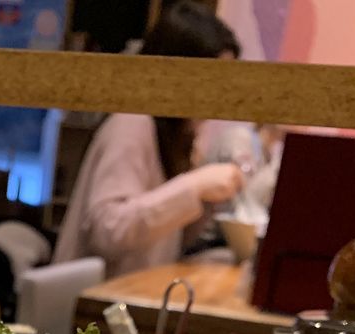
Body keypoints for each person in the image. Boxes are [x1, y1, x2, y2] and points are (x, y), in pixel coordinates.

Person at [52, 1, 246, 277]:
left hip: (129, 293)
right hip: (92, 298)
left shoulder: (179, 134)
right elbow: (108, 231)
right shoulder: (133, 124)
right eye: (213, 81)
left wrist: (207, 200)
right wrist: (194, 186)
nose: (220, 95)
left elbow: (169, 240)